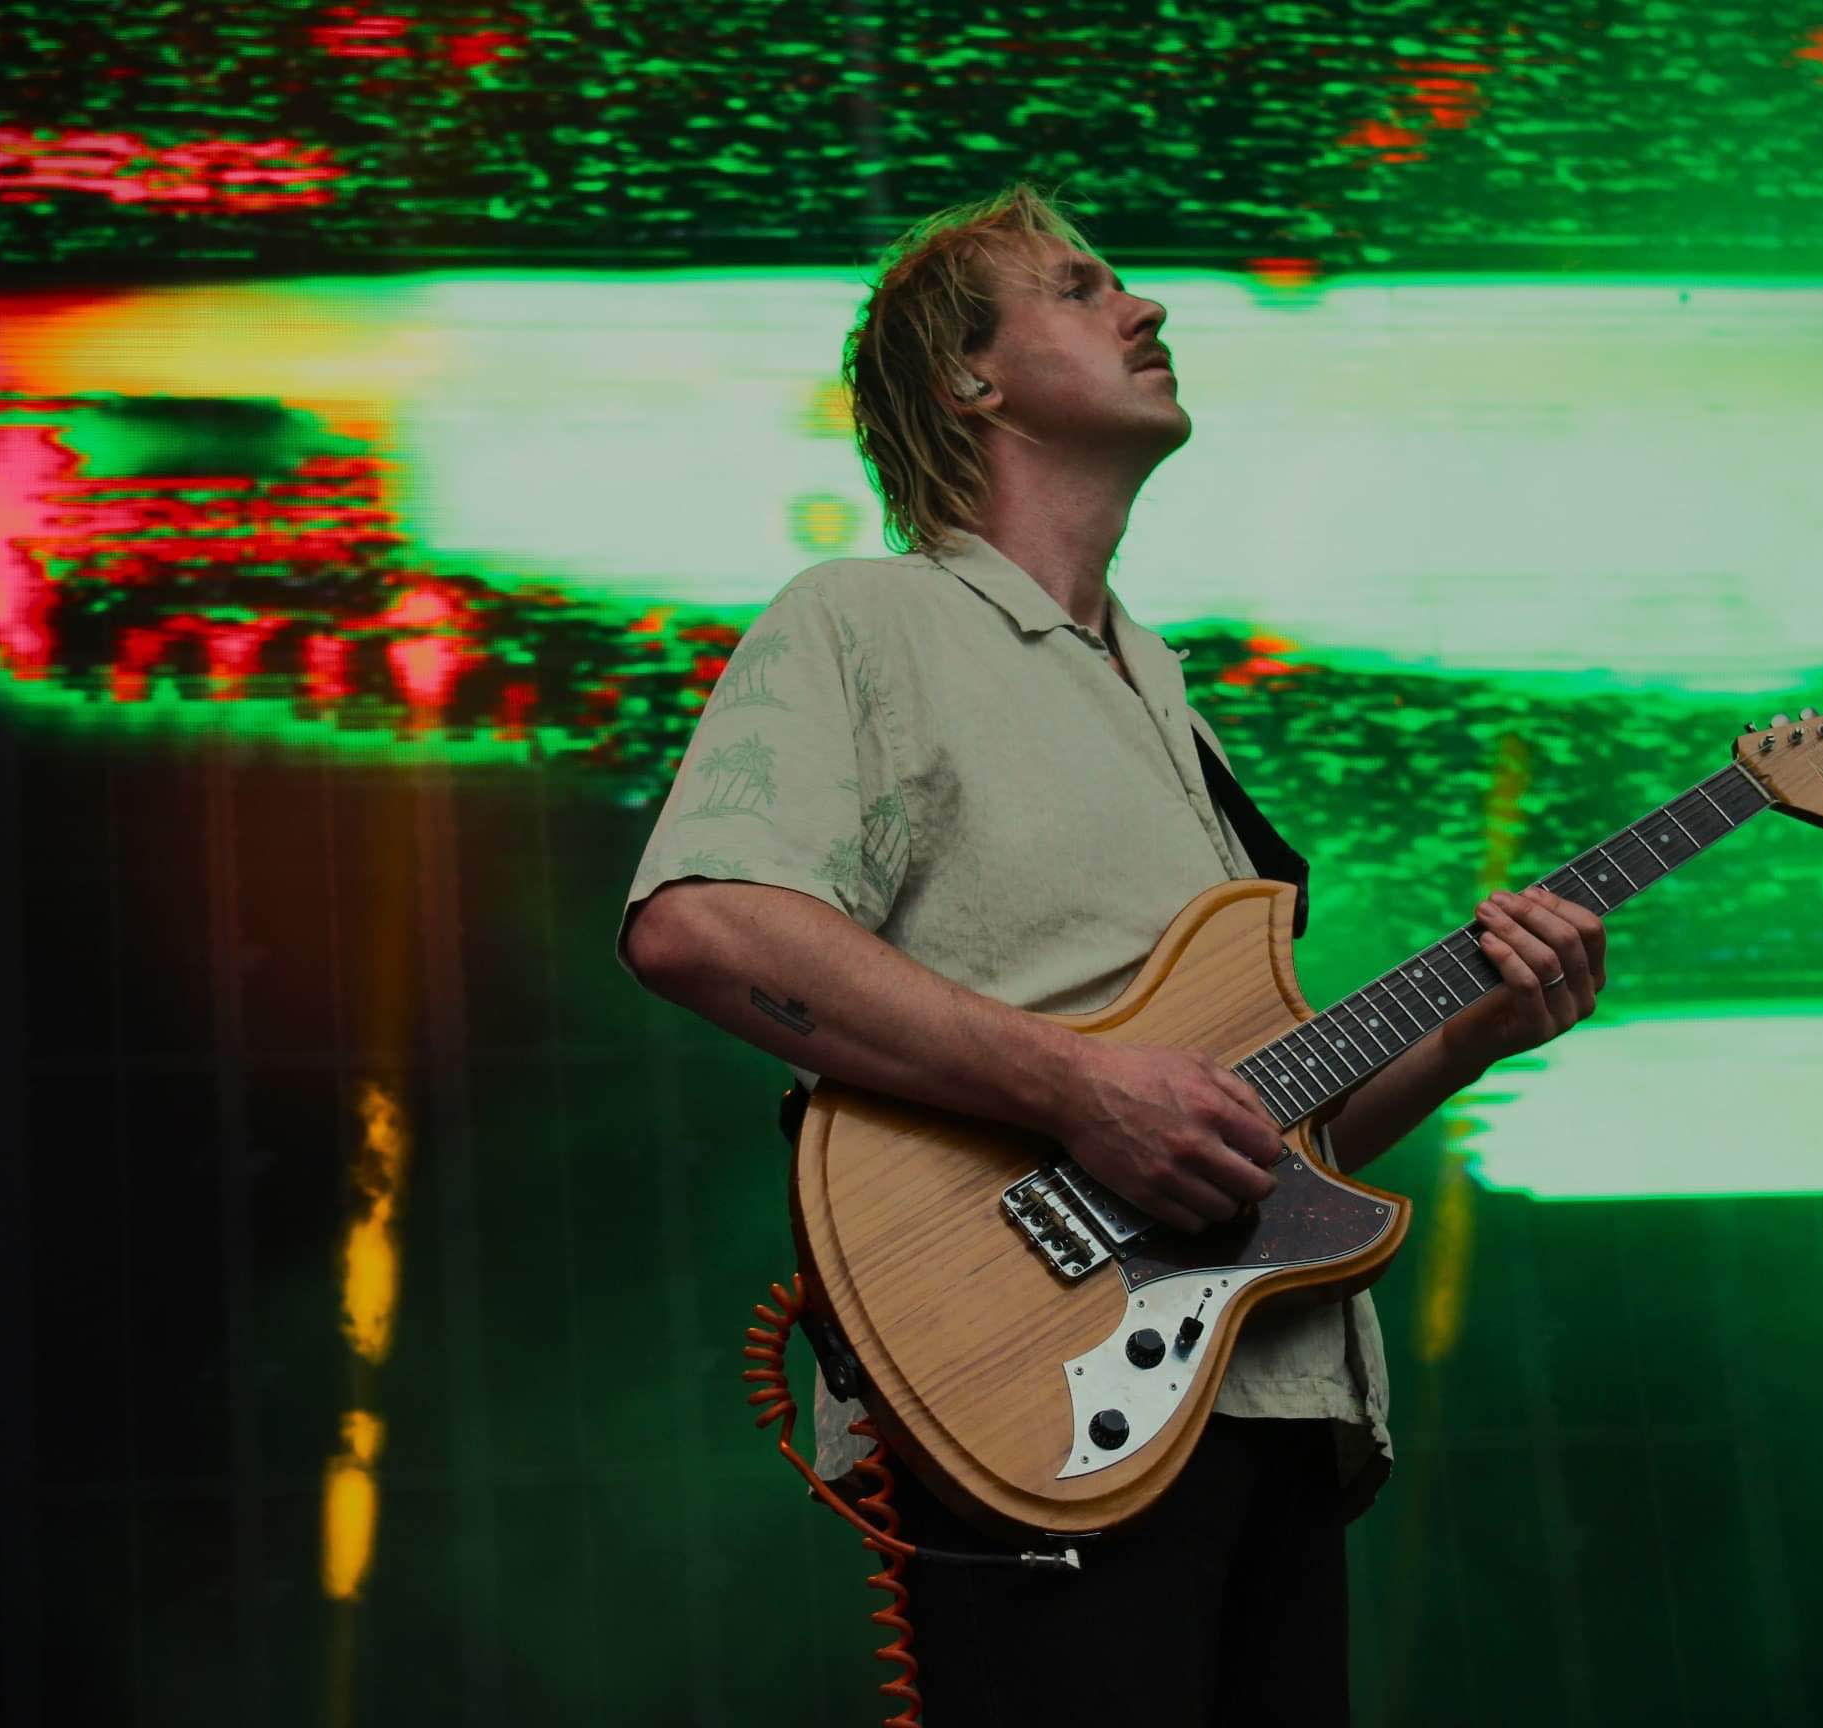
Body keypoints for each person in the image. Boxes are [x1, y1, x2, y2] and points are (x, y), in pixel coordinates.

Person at [615, 181, 1606, 1725]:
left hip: (1261, 1398)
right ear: (969, 378)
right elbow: (700, 921)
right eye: (1082, 290)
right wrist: (1078, 1090)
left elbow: (1262, 1135)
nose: (1143, 310)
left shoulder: (1170, 707)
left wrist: (1479, 1025)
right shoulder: (868, 621)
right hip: (1027, 1388)